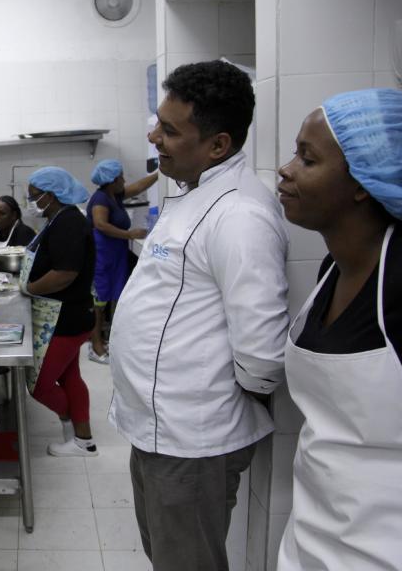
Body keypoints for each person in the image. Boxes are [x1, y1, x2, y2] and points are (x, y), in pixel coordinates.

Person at [107, 60, 289, 570]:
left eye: (169, 130)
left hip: (191, 438)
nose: (154, 136)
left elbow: (262, 357)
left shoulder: (241, 215)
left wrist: (205, 399)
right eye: (157, 122)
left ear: (218, 145)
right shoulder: (193, 194)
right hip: (161, 430)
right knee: (169, 557)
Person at [275, 88, 402, 570]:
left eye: (308, 158)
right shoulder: (333, 268)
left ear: (364, 181)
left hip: (401, 547)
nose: (286, 169)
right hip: (317, 533)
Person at [21, 167, 98, 457]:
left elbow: (64, 274)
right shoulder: (59, 218)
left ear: (50, 196)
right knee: (69, 377)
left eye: (33, 197)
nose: (30, 201)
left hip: (65, 318)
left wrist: (31, 288)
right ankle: (82, 440)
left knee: (39, 385)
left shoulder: (69, 224)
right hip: (68, 314)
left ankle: (75, 429)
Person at [85, 159, 157, 364]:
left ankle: (108, 341)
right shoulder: (100, 199)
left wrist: (160, 173)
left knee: (113, 296)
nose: (125, 180)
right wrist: (129, 233)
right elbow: (100, 224)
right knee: (98, 302)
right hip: (102, 255)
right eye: (121, 177)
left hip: (116, 254)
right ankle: (95, 346)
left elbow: (139, 186)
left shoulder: (114, 194)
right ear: (112, 180)